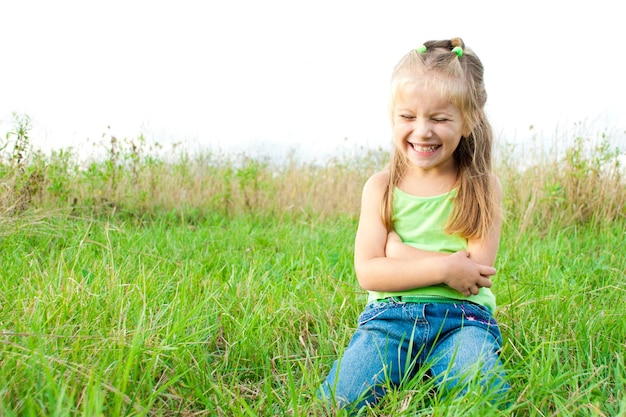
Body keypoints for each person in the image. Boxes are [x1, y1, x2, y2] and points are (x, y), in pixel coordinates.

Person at [318, 37, 510, 412]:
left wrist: (397, 251)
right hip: (390, 318)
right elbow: (370, 274)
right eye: (407, 117)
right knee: (338, 400)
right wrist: (443, 265)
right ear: (393, 118)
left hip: (463, 320)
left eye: (439, 118)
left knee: (484, 397)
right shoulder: (381, 188)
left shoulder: (482, 187)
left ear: (468, 121)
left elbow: (474, 274)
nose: (422, 131)